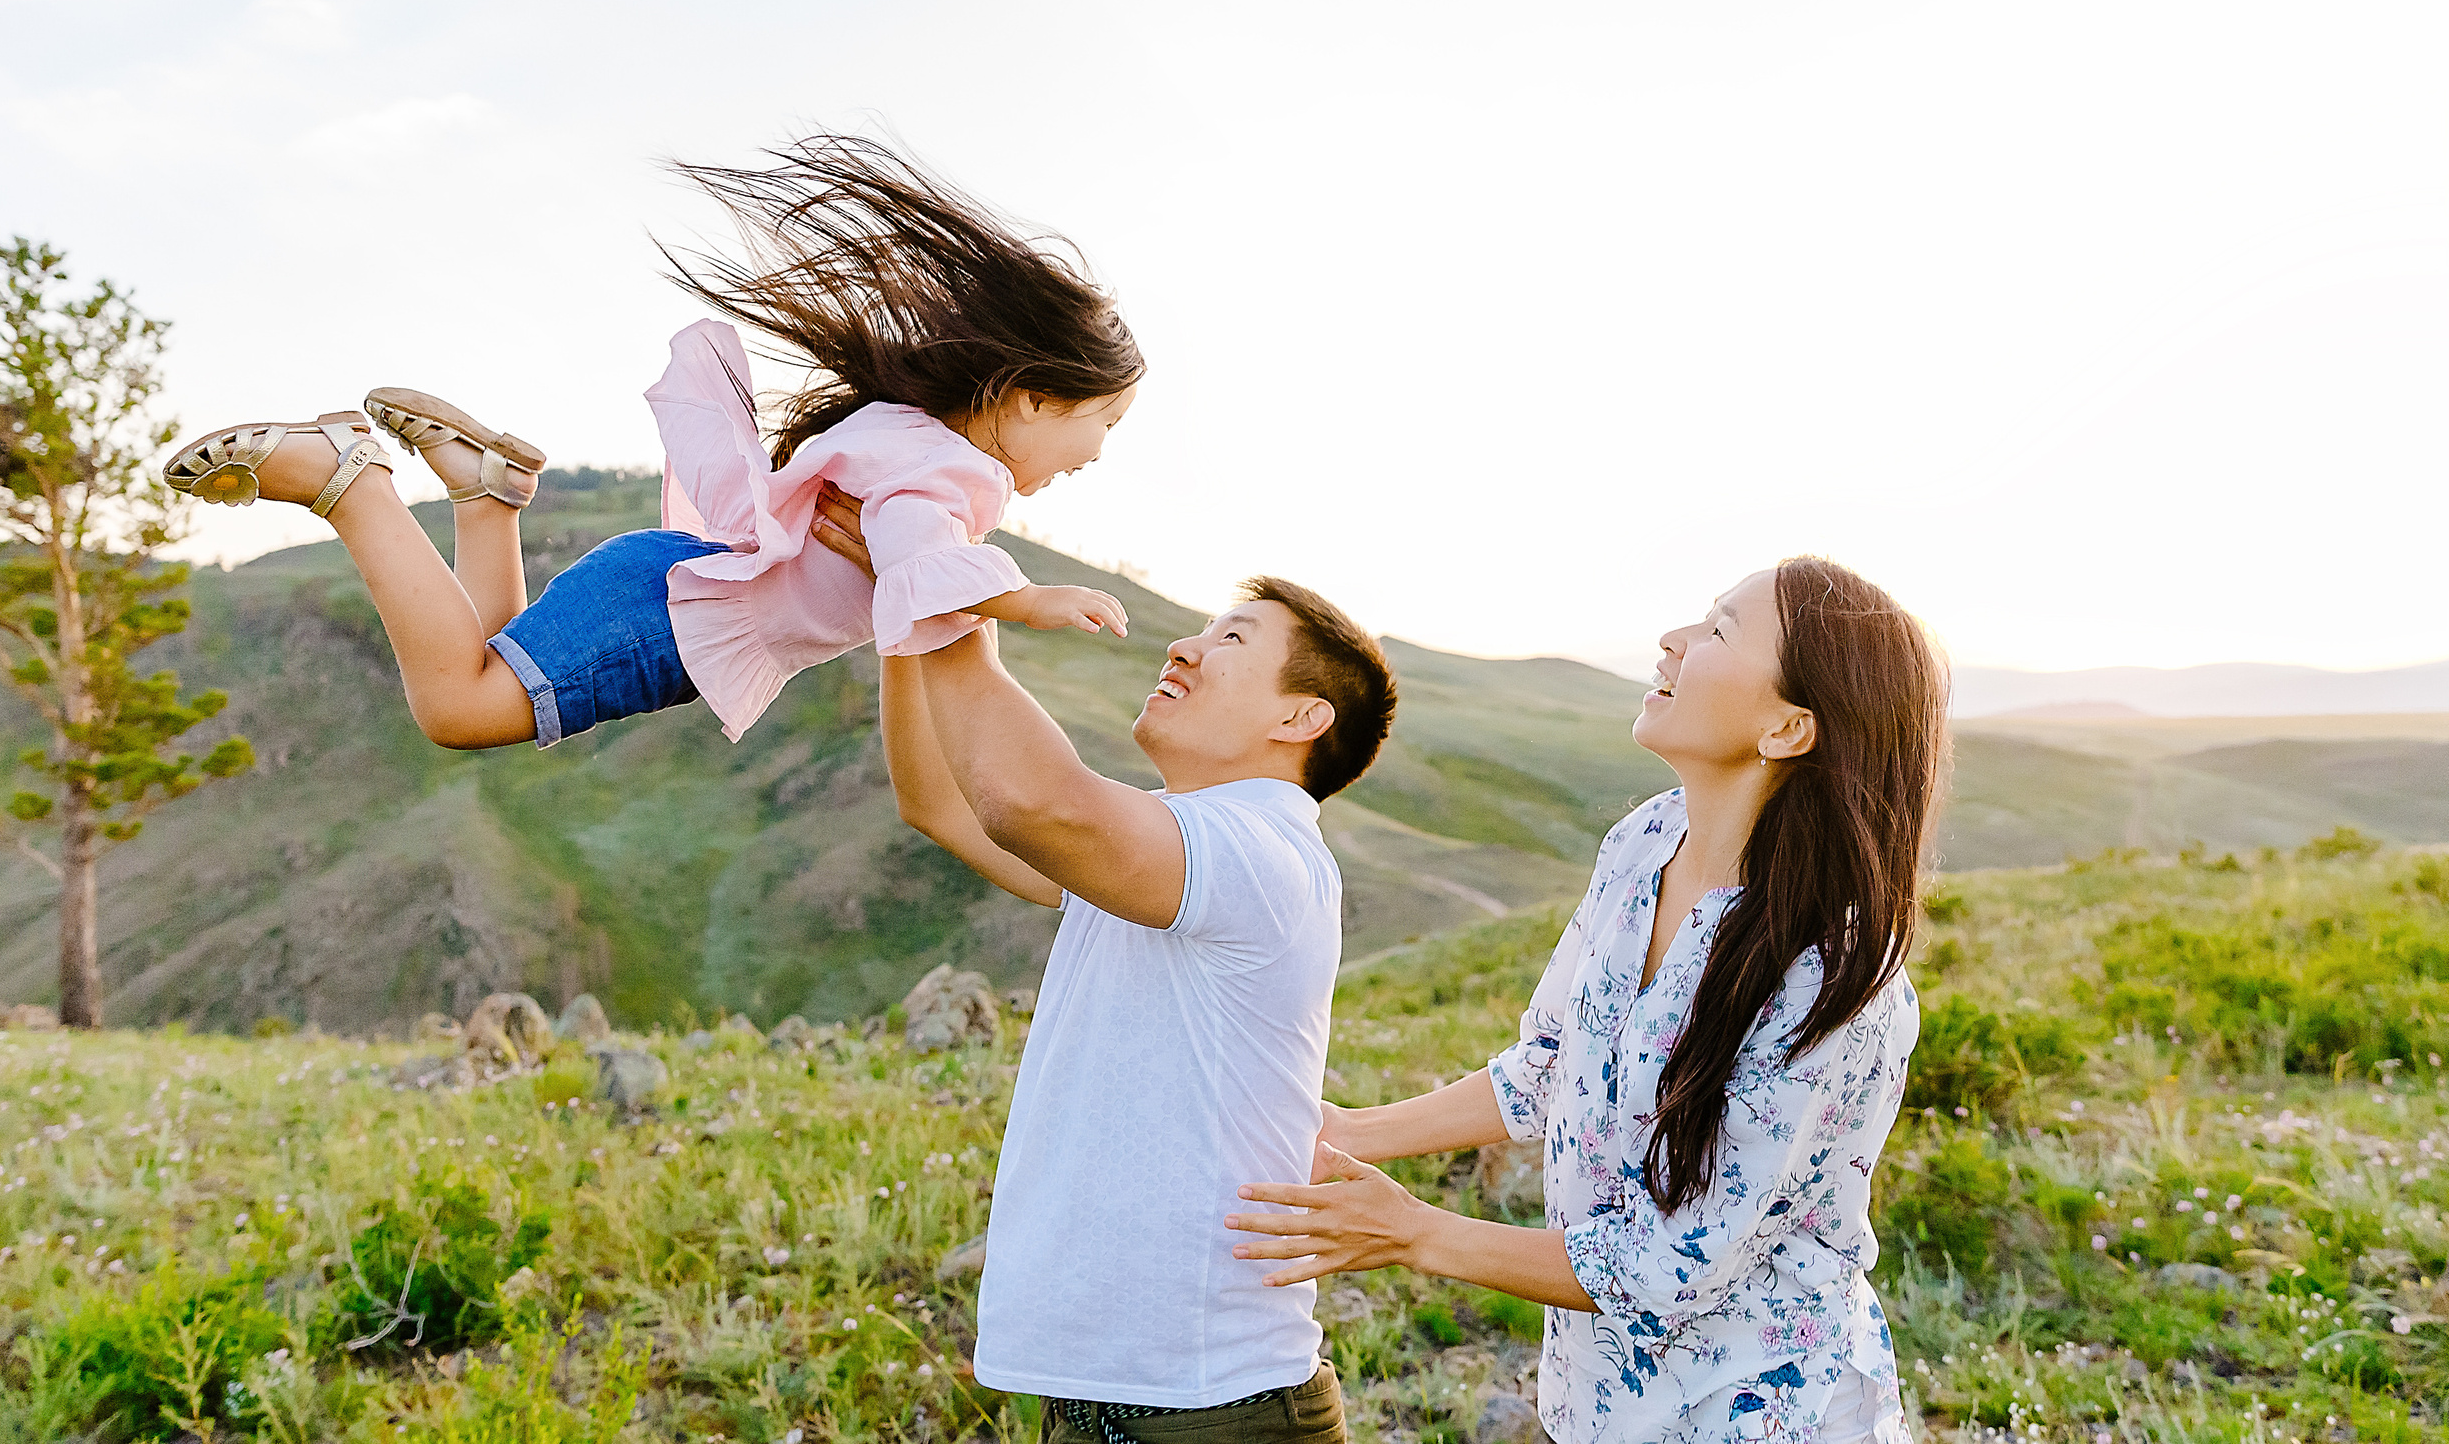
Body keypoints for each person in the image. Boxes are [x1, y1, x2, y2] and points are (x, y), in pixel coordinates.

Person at [1224, 558, 1944, 1444]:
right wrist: (1346, 1131)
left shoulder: (1832, 975)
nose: (1672, 640)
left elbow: (1666, 1263)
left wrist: (1410, 1231)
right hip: (1597, 1402)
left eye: (1719, 631)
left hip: (1760, 1413)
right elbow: (1551, 1064)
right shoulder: (1646, 838)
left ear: (1789, 726)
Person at [158, 136, 1142, 750]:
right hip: (677, 624)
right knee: (459, 709)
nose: (1098, 455)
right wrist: (1025, 597)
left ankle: (485, 497)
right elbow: (920, 565)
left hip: (668, 586)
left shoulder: (910, 436)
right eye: (1103, 423)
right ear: (1026, 395)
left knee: (486, 664)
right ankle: (350, 483)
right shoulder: (955, 476)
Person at [810, 486, 1396, 1444]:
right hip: (1110, 1397)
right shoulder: (1173, 850)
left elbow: (1028, 800)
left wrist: (940, 580)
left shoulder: (1265, 854)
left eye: (1232, 641)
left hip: (1215, 1407)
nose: (1185, 648)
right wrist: (908, 614)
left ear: (1301, 716)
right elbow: (941, 804)